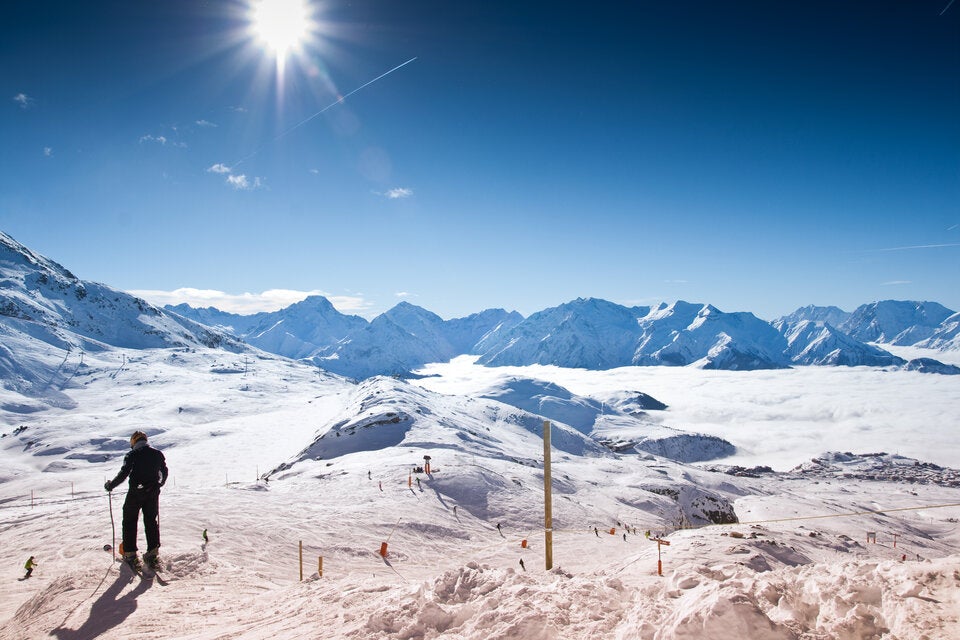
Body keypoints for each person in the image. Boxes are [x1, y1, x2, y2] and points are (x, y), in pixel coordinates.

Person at [105, 431, 168, 572]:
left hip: (135, 493)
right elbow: (164, 471)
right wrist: (159, 485)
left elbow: (124, 474)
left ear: (133, 442)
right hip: (152, 493)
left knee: (129, 521)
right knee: (151, 521)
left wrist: (111, 485)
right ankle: (152, 553)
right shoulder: (157, 454)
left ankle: (130, 554)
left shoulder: (132, 455)